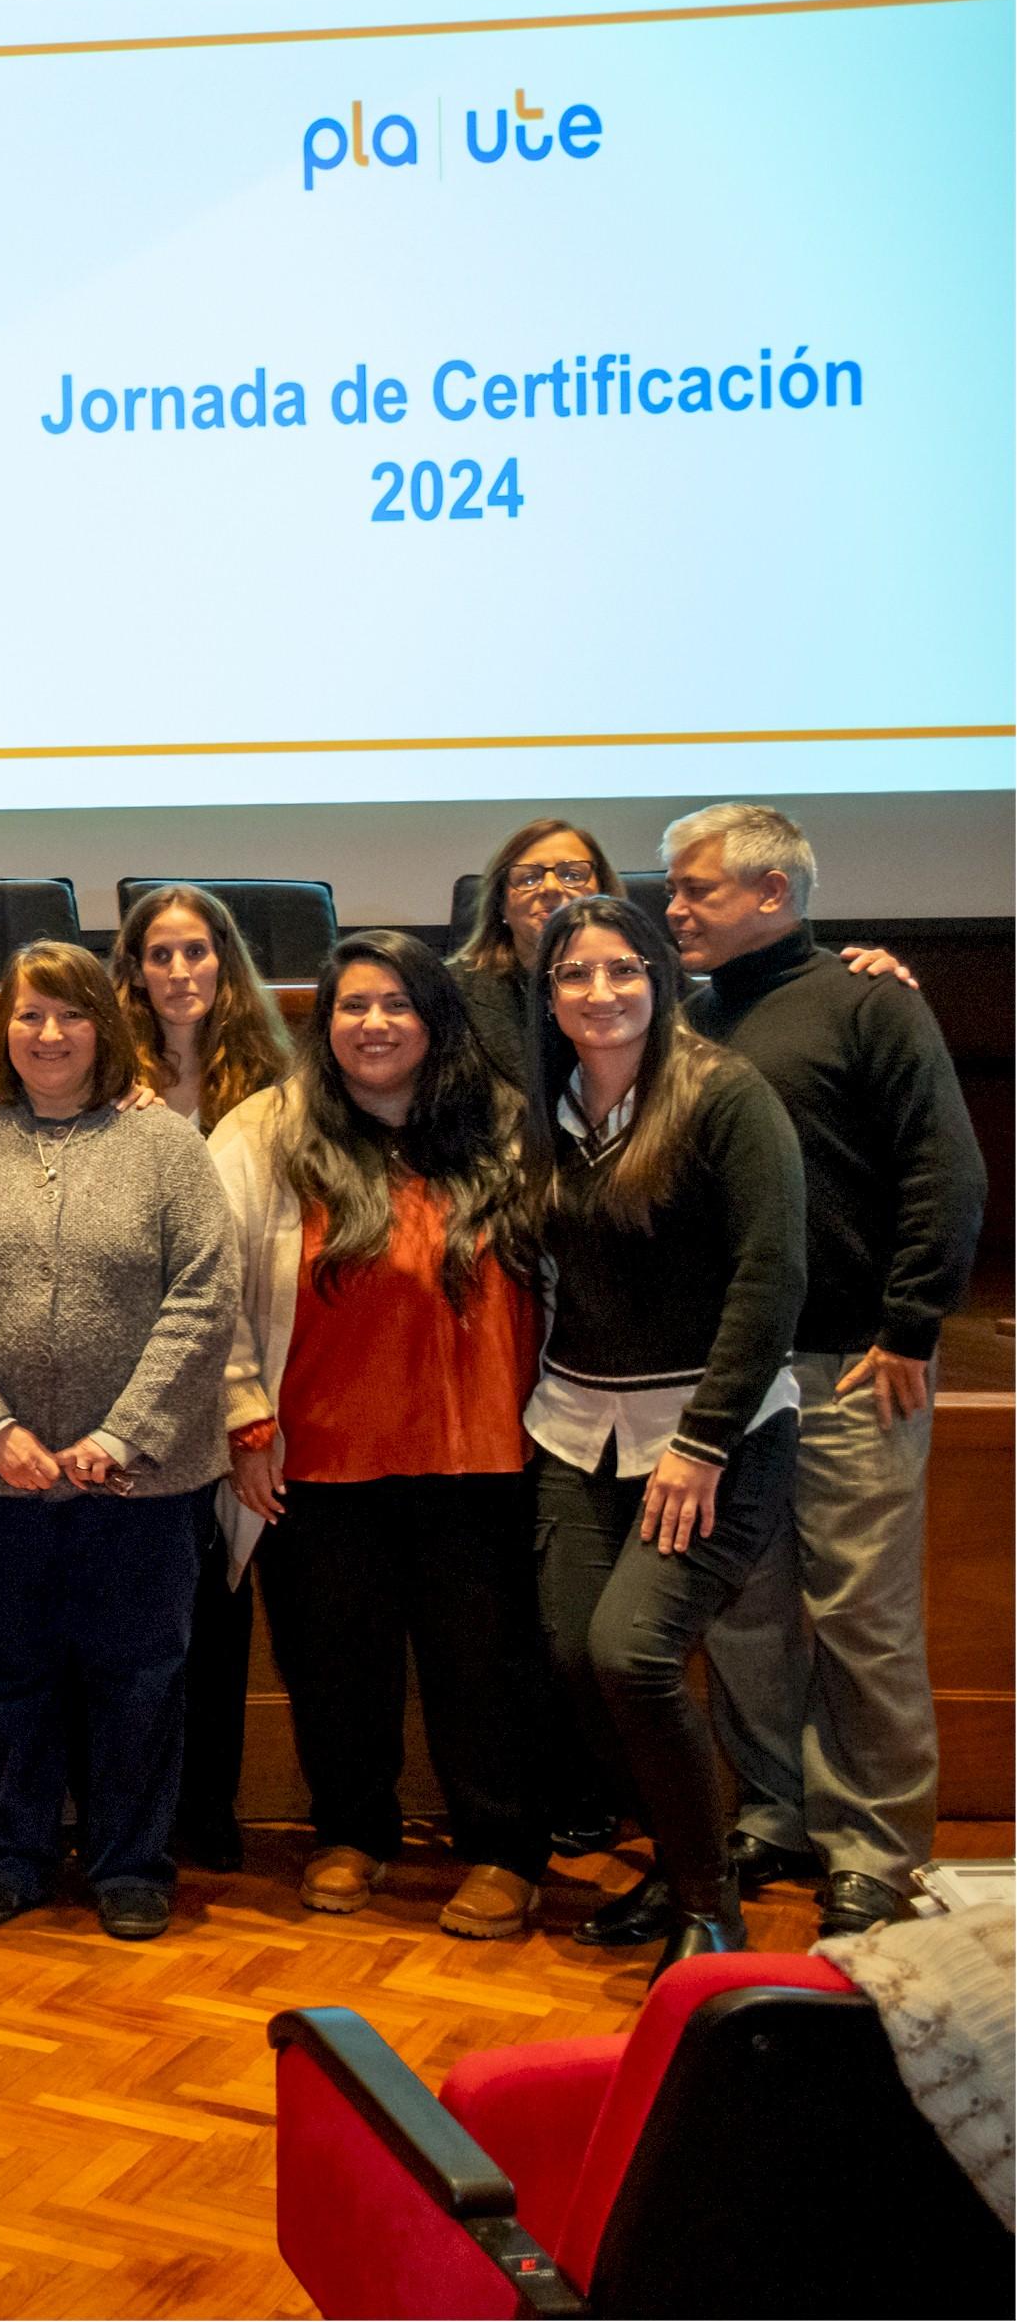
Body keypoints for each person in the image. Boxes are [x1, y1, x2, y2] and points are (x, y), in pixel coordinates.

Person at [666, 805, 984, 1939]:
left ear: (771, 892)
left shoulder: (870, 999)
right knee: (746, 1616)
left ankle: (873, 1845)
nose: (674, 907)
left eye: (695, 888)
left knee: (862, 1616)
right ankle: (776, 1811)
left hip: (855, 1364)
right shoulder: (688, 1023)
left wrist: (909, 1327)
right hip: (728, 1377)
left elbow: (946, 1171)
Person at [210, 932, 551, 1939]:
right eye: (353, 1005)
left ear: (435, 1020)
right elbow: (212, 1282)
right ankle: (351, 1830)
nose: (373, 1024)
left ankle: (501, 1849)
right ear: (325, 1021)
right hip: (318, 1452)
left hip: (479, 1451)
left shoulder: (507, 1127)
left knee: (482, 1667)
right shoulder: (266, 1130)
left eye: (397, 1004)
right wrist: (243, 1414)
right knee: (334, 1664)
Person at [0, 941, 233, 1942]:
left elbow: (204, 1297)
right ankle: (11, 1853)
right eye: (29, 1014)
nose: (48, 1034)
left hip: (138, 1482)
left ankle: (131, 1862)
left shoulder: (167, 1146)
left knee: (136, 1677)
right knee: (0, 1675)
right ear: (2, 1029)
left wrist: (123, 1434)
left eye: (70, 1013)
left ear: (105, 1027)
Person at [520, 896, 806, 1964]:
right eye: (574, 975)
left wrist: (701, 1441)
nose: (599, 993)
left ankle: (707, 1907)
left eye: (622, 969)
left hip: (709, 1434)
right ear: (546, 994)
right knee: (567, 1653)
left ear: (660, 979)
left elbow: (771, 1275)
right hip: (574, 1428)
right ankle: (675, 1861)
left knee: (630, 1652)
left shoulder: (726, 1097)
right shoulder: (542, 1109)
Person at [115, 883, 291, 1876]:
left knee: (220, 1615)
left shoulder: (273, 1085)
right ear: (133, 971)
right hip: (131, 1392)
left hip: (238, 1385)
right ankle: (136, 1808)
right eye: (159, 953)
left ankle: (207, 1808)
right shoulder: (100, 1081)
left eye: (197, 951)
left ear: (224, 963)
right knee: (144, 1616)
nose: (179, 970)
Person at [450, 820, 628, 1088]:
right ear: (501, 904)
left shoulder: (652, 971)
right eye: (529, 877)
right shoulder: (451, 990)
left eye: (571, 874)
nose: (551, 888)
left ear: (604, 893)